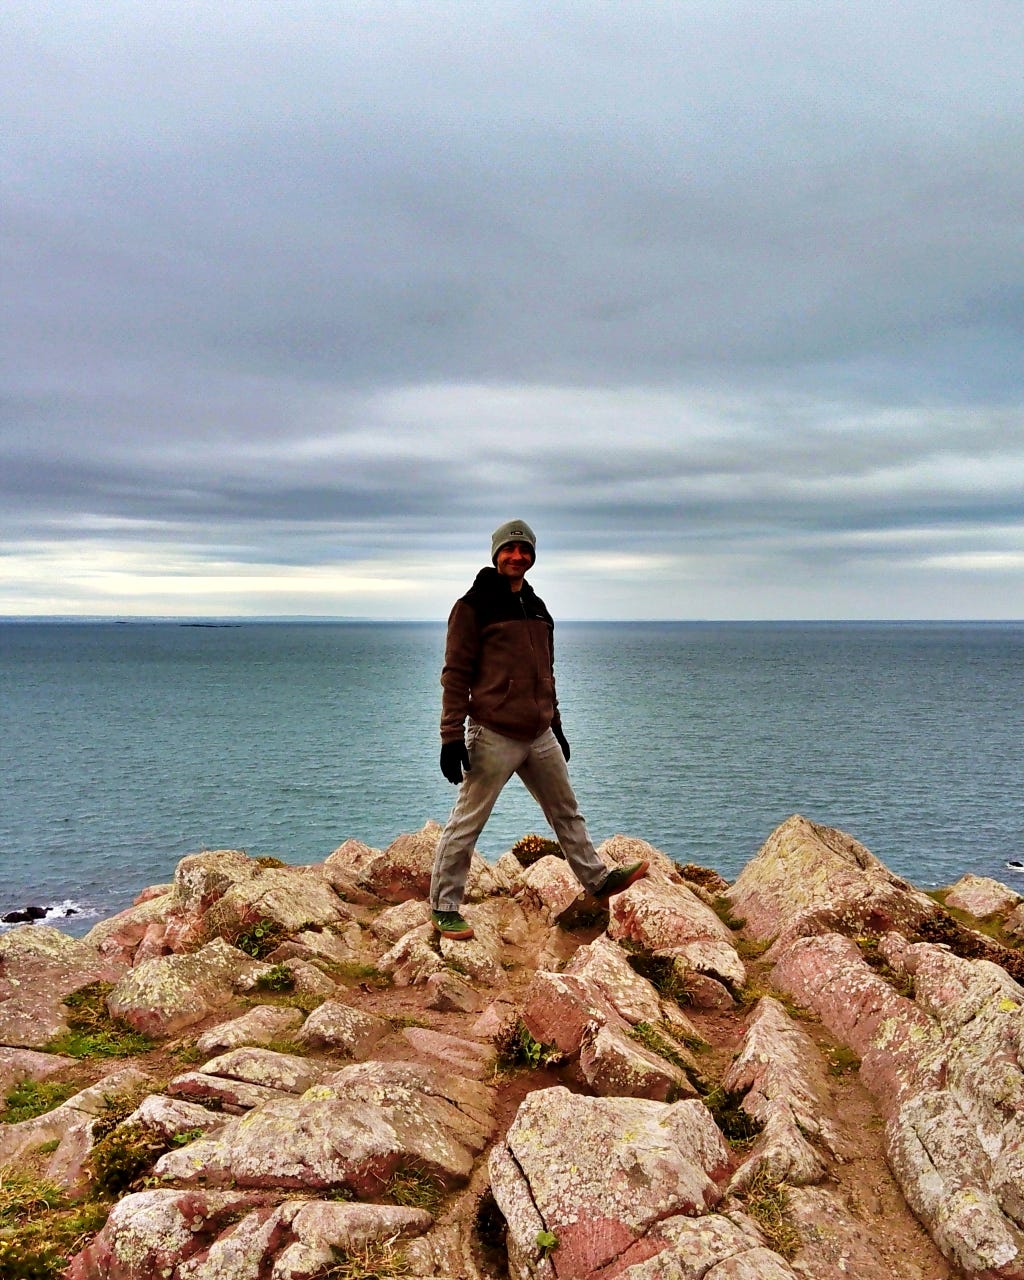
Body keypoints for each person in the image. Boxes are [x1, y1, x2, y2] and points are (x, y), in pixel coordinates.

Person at [429, 518, 648, 939]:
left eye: (524, 549)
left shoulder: (538, 607)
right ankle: (444, 905)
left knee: (566, 811)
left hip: (540, 733)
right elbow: (455, 674)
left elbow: (546, 673)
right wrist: (451, 736)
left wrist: (557, 725)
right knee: (467, 822)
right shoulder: (472, 606)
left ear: (532, 555)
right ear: (496, 554)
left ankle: (597, 880)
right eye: (509, 549)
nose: (517, 556)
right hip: (493, 732)